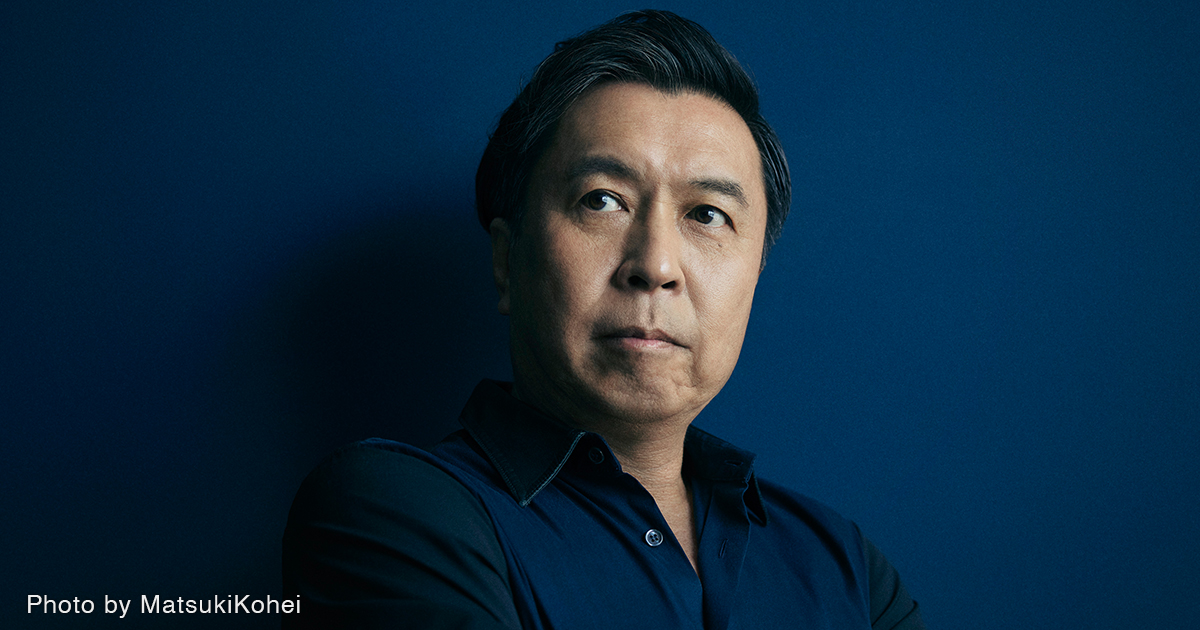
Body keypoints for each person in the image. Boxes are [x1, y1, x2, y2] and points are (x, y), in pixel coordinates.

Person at [282, 10, 925, 629]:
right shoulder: (390, 513)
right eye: (603, 201)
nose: (656, 266)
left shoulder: (848, 573)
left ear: (756, 273)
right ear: (507, 260)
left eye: (707, 214)